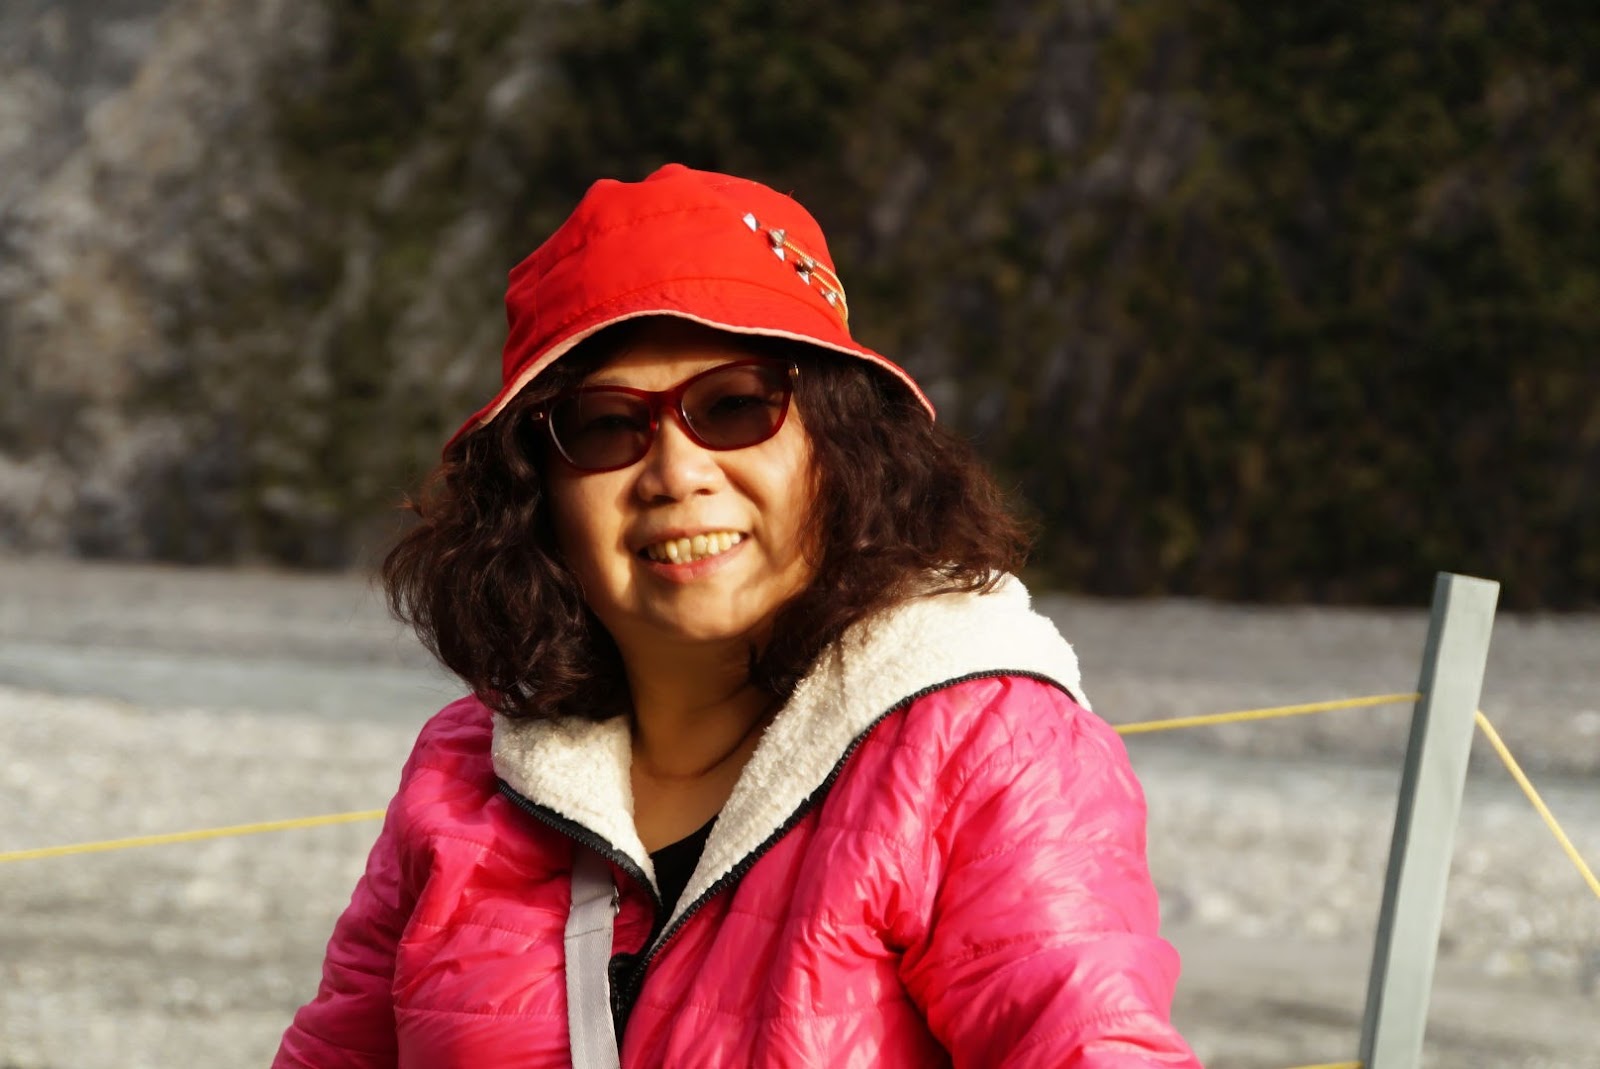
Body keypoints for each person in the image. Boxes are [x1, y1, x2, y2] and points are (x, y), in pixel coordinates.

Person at [274, 163, 1201, 1067]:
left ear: (841, 448)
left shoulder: (978, 748)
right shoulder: (464, 770)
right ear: (536, 494)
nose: (676, 473)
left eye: (735, 407)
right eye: (606, 425)